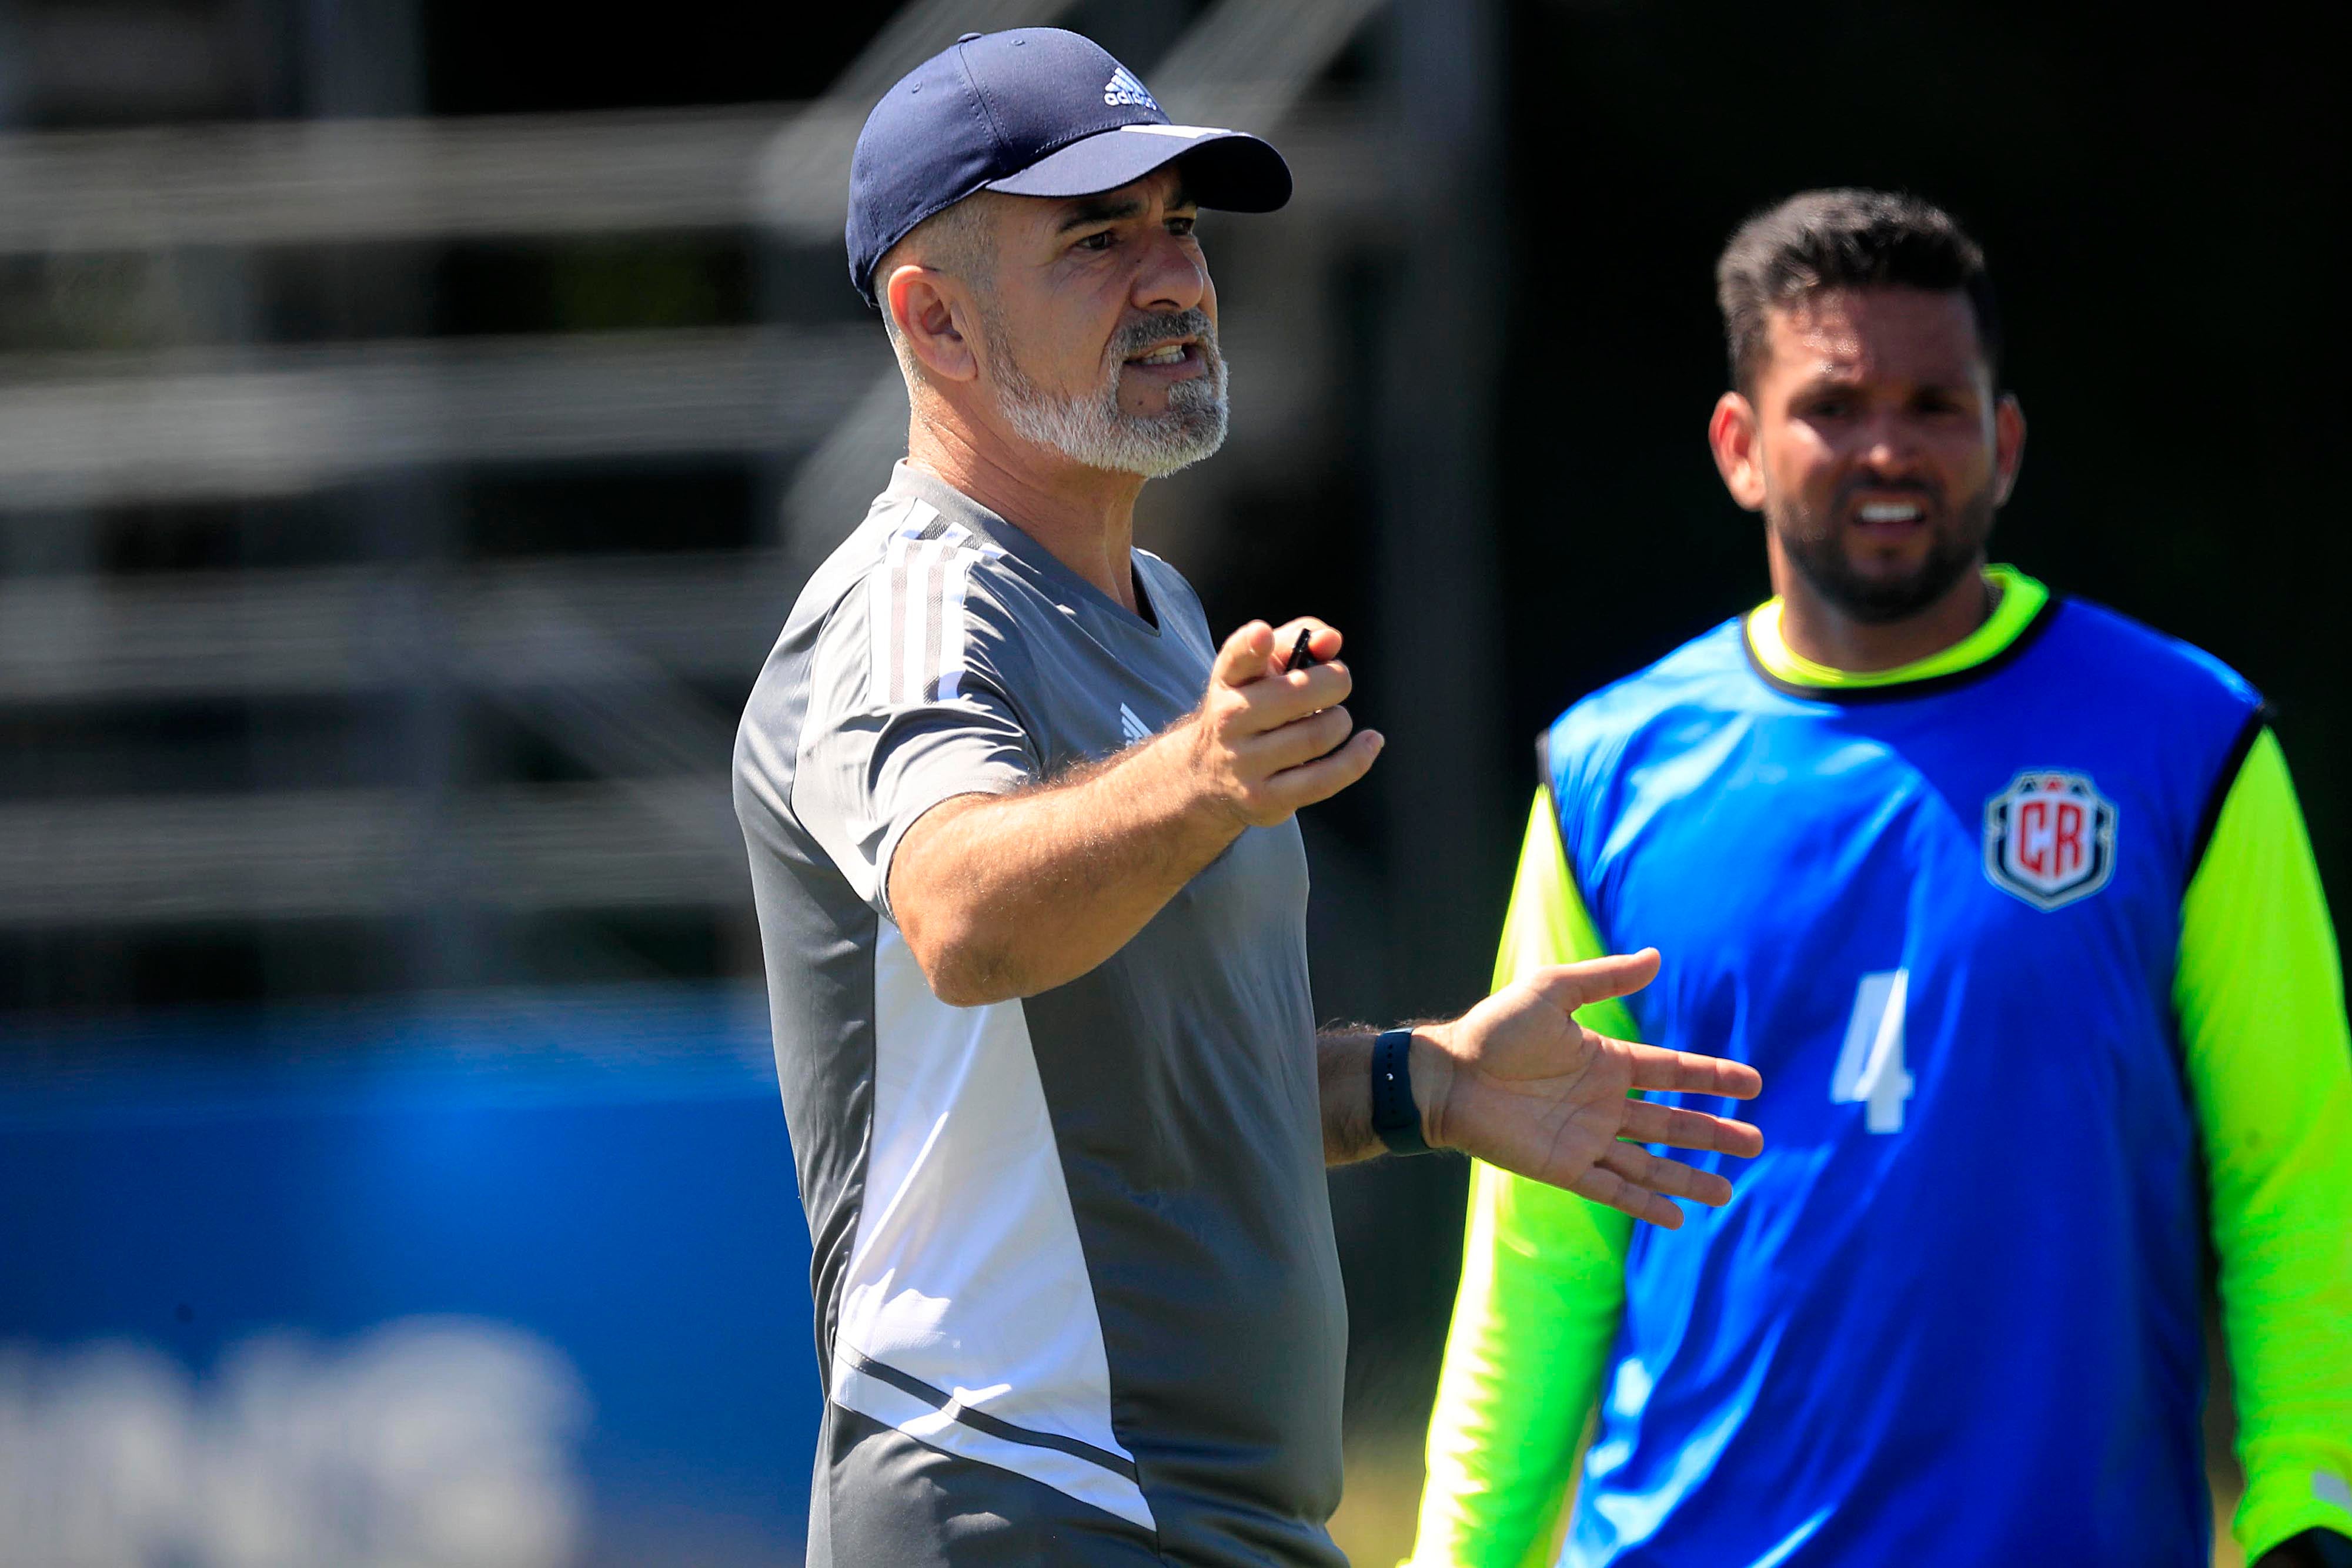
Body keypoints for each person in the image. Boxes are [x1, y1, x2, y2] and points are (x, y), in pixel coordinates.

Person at [730, 29, 1763, 1568]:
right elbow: (961, 914)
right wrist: (1205, 776)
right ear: (931, 318)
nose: (1173, 279)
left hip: (1193, 1519)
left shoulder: (1161, 615)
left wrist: (1431, 1082)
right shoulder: (914, 610)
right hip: (1022, 1504)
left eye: (1182, 227)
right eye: (1097, 239)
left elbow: (1150, 1081)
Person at [1407, 188, 2352, 1568]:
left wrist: (2302, 1499)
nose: (1887, 449)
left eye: (1933, 405)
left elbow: (2292, 1175)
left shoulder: (2186, 742)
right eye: (1834, 406)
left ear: (2004, 440)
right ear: (1738, 445)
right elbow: (1540, 1238)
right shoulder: (1607, 770)